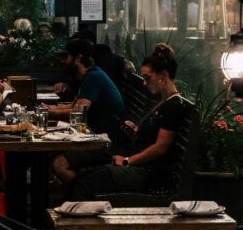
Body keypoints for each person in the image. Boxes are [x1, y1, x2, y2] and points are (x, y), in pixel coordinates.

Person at [71, 44, 193, 199]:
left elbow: (160, 148)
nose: (144, 83)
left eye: (147, 78)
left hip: (149, 173)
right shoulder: (163, 102)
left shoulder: (174, 105)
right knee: (83, 179)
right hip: (142, 166)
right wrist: (136, 131)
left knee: (85, 184)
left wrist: (128, 161)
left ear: (162, 75)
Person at [49, 38, 126, 184]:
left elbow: (78, 112)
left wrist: (51, 113)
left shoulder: (93, 77)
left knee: (59, 164)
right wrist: (51, 109)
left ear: (78, 57)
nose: (63, 61)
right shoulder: (90, 76)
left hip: (107, 143)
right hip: (96, 137)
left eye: (66, 57)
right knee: (51, 154)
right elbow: (74, 106)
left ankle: (86, 193)